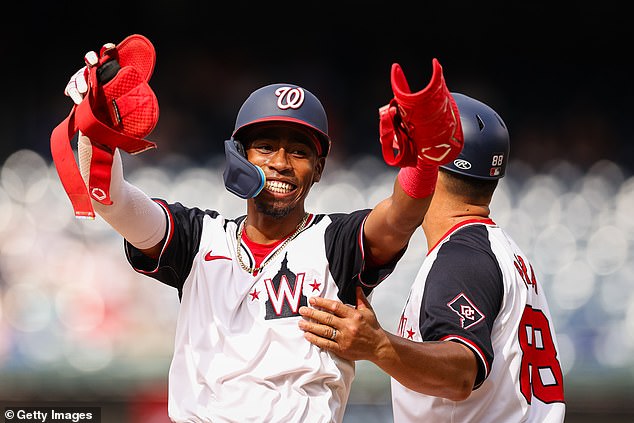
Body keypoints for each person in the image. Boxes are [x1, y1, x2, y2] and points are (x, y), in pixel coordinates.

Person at [58, 38, 464, 422]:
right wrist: (96, 134)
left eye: (300, 151)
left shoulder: (336, 243)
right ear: (239, 155)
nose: (282, 163)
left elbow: (399, 217)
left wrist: (425, 163)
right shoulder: (197, 237)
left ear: (319, 169)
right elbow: (112, 201)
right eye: (266, 146)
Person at [299, 93, 566, 422]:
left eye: (417, 158)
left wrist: (378, 345)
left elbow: (461, 374)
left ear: (432, 168)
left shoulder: (461, 256)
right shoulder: (501, 249)